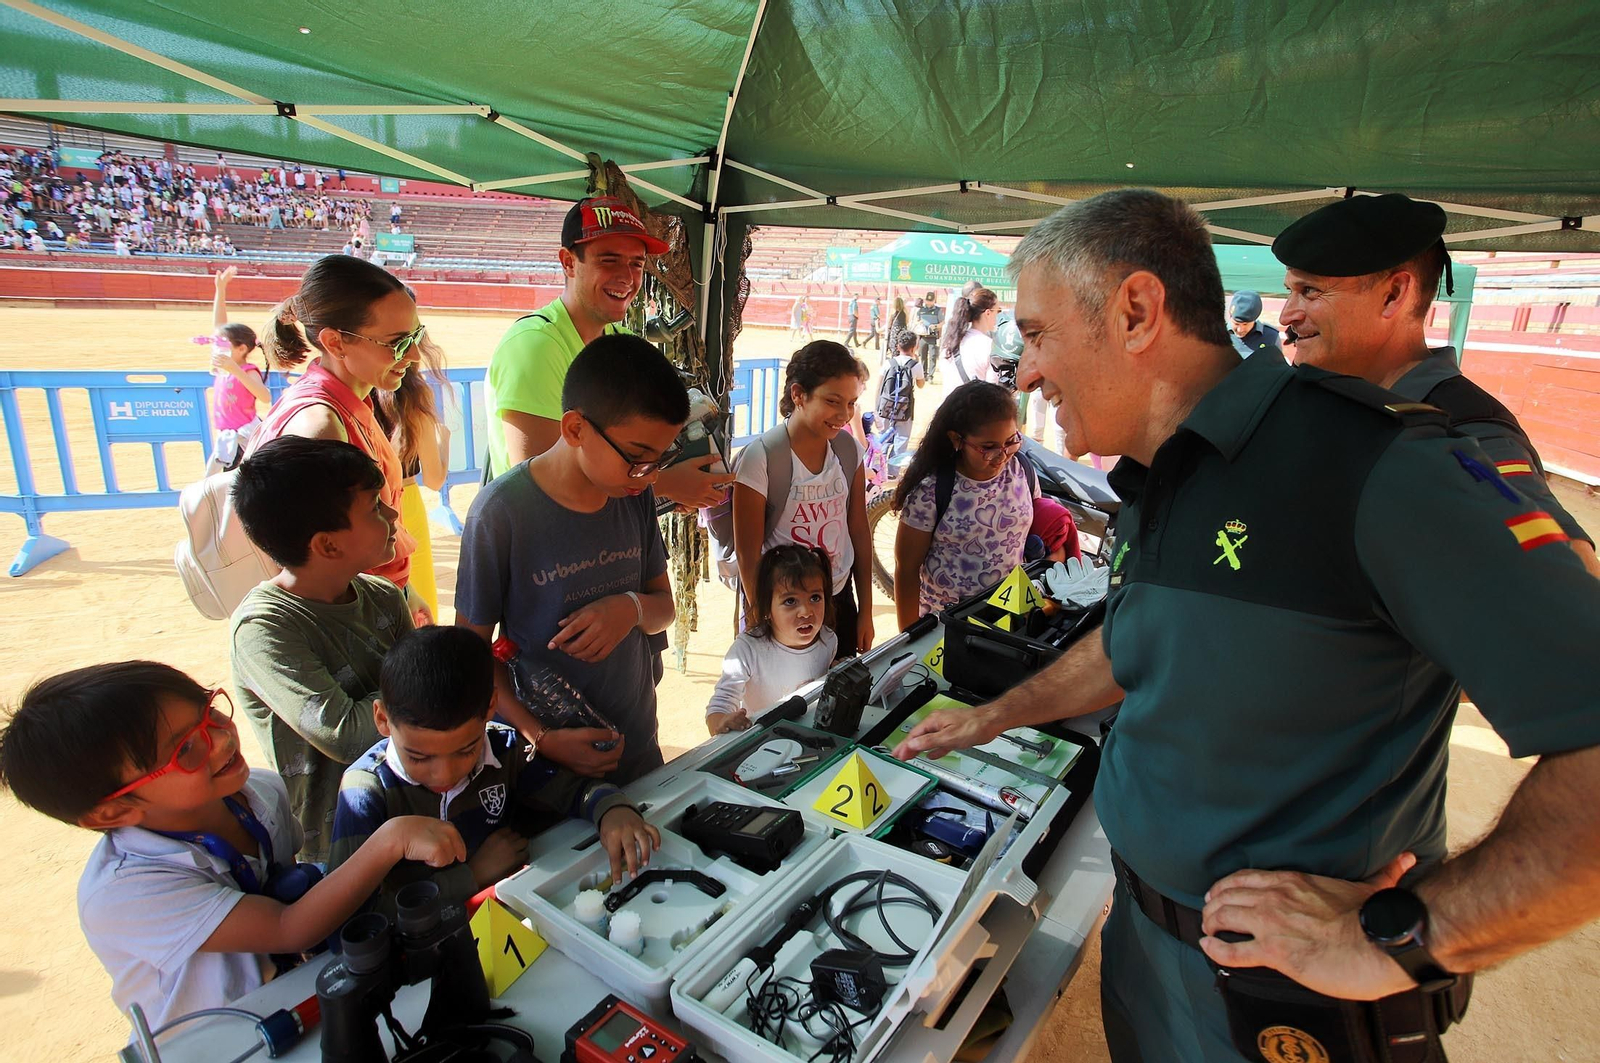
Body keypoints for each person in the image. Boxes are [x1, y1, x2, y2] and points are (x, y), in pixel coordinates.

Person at [895, 189, 1600, 1063]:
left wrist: (1400, 936)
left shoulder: (1375, 465)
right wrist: (995, 714)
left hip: (1284, 1006)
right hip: (1146, 951)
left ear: (1137, 311)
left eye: (1036, 335)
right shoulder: (1162, 470)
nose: (1024, 372)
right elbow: (1136, 645)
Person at [0, 661, 465, 1032]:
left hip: (292, 1000)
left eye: (210, 711)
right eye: (185, 749)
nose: (222, 738)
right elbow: (288, 928)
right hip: (218, 1038)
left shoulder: (258, 793)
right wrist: (390, 839)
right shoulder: (125, 894)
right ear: (111, 813)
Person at [1272, 192, 1598, 577]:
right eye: (1290, 291)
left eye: (1309, 291)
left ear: (1392, 295)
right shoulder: (1333, 398)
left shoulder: (1467, 429)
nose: (1286, 315)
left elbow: (1569, 573)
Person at [456, 335, 683, 784]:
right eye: (637, 457)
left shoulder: (632, 495)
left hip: (636, 750)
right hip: (546, 770)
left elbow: (663, 608)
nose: (650, 475)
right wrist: (539, 736)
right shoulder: (501, 515)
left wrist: (629, 608)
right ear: (575, 428)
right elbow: (471, 658)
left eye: (661, 459)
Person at [330, 626, 658, 910]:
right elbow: (353, 920)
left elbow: (575, 791)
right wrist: (470, 876)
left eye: (466, 750)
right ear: (383, 720)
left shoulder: (504, 749)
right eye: (419, 757)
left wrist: (612, 810)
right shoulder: (365, 792)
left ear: (490, 707)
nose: (445, 774)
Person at [481, 196, 728, 508]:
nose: (627, 277)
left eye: (637, 264)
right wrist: (667, 483)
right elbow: (539, 487)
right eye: (609, 260)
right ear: (568, 262)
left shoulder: (621, 341)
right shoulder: (535, 346)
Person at [230, 436, 412, 862]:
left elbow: (432, 683)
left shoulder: (384, 596)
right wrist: (422, 689)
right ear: (327, 544)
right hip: (340, 845)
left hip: (414, 805)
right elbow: (345, 735)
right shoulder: (265, 629)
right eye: (374, 507)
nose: (391, 514)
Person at [249, 254, 429, 622]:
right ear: (335, 342)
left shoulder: (349, 402)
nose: (412, 355)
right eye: (396, 342)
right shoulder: (321, 426)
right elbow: (316, 570)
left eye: (416, 336)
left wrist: (404, 594)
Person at [731, 341, 875, 658]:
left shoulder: (850, 452)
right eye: (832, 401)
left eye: (851, 403)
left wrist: (865, 610)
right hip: (782, 606)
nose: (844, 414)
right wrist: (760, 620)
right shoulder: (763, 458)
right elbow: (747, 552)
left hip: (837, 597)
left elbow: (859, 531)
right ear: (798, 395)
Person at [891, 381, 1037, 629]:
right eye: (988, 448)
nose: (1002, 456)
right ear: (956, 440)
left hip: (1010, 617)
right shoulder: (931, 491)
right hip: (947, 628)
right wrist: (909, 637)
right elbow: (906, 570)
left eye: (1011, 442)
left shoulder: (1022, 470)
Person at [705, 544, 838, 735]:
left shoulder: (828, 640)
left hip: (809, 738)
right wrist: (722, 722)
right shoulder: (747, 650)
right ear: (766, 607)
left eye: (815, 597)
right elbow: (719, 707)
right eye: (790, 601)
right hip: (761, 745)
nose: (806, 611)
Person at [205, 266, 270, 473]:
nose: (218, 346)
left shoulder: (247, 370)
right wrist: (220, 289)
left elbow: (265, 396)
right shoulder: (225, 365)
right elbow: (219, 327)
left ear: (241, 349)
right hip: (228, 438)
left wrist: (235, 369)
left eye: (224, 344)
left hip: (242, 440)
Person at [938, 286, 1001, 405]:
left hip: (947, 410)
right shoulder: (990, 346)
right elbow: (992, 390)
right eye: (997, 311)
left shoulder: (951, 341)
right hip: (973, 414)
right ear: (988, 312)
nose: (997, 316)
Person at [875, 331, 926, 472]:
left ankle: (879, 470)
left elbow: (879, 386)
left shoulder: (888, 363)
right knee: (901, 439)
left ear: (898, 346)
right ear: (914, 347)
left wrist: (876, 408)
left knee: (883, 437)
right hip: (905, 408)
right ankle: (893, 471)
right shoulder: (916, 366)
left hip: (886, 406)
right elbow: (921, 385)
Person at [1226, 289, 1282, 359]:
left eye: (1245, 324)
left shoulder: (1270, 336)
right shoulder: (1219, 334)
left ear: (1254, 320)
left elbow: (1277, 366)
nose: (1240, 329)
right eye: (1236, 324)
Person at [915, 291, 943, 379]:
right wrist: (919, 323)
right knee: (923, 356)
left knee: (933, 356)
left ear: (934, 301)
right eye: (928, 300)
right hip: (923, 336)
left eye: (931, 301)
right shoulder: (921, 310)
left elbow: (942, 322)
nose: (929, 302)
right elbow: (916, 320)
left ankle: (931, 375)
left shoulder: (938, 310)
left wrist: (935, 326)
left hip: (933, 336)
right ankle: (924, 373)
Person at [885, 296, 908, 361]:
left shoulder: (893, 313)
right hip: (902, 334)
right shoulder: (905, 313)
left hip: (895, 334)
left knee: (894, 352)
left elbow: (889, 324)